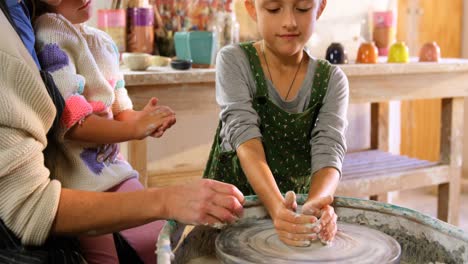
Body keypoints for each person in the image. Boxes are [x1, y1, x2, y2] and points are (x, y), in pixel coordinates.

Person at [0, 0, 244, 263]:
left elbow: (119, 107)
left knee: (159, 244)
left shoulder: (101, 42)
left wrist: (143, 119)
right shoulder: (49, 32)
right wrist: (133, 128)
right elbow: (71, 123)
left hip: (113, 168)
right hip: (80, 180)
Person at [204, 0, 348, 247]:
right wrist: (276, 208)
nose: (289, 21)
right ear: (252, 8)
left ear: (320, 7)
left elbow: (329, 149)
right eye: (273, 8)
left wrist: (317, 205)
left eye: (302, 8)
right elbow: (246, 139)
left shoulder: (332, 80)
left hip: (294, 215)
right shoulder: (234, 61)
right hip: (229, 212)